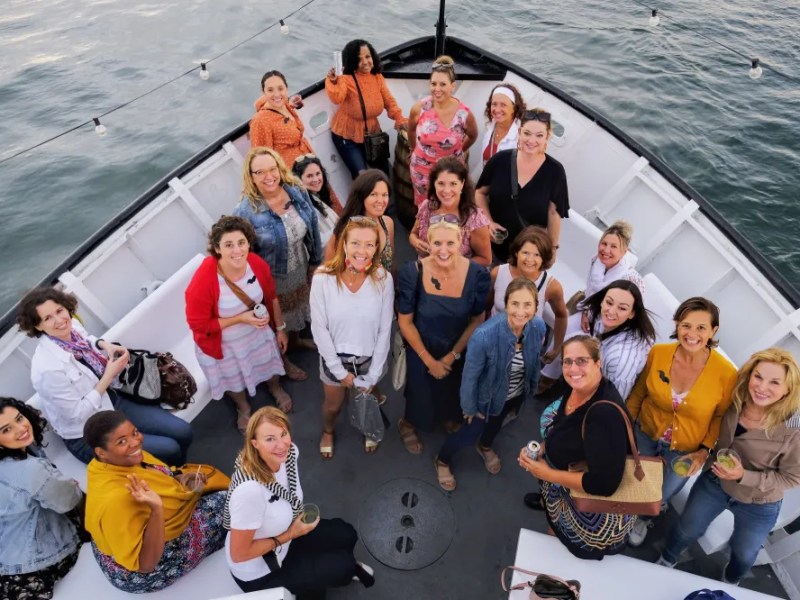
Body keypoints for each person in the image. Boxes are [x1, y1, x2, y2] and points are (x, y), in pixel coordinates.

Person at [657, 348, 800, 584]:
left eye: (775, 382)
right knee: (685, 529)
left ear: (788, 389)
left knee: (744, 554)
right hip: (715, 482)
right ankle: (666, 559)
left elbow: (792, 477)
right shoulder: (733, 398)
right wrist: (702, 451)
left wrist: (744, 475)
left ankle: (731, 580)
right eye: (758, 377)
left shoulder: (793, 429)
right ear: (749, 375)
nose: (762, 387)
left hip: (759, 502)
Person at [18, 287, 193, 466]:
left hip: (111, 403)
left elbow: (87, 339)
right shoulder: (47, 370)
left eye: (59, 310)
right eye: (47, 318)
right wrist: (109, 375)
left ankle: (175, 472)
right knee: (169, 448)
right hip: (88, 433)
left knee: (183, 431)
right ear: (37, 326)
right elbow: (76, 414)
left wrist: (105, 345)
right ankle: (174, 478)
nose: (59, 320)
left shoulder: (72, 329)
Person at [225, 407, 375, 596]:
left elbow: (288, 495)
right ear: (255, 443)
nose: (281, 445)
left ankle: (328, 571)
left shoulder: (288, 455)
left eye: (283, 434)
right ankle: (341, 571)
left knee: (345, 533)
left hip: (288, 531)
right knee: (340, 567)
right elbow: (239, 554)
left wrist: (292, 530)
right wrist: (290, 535)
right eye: (270, 439)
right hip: (263, 568)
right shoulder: (249, 492)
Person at [626, 296, 738, 547]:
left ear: (713, 331)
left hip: (686, 448)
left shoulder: (727, 374)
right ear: (677, 325)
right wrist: (625, 425)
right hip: (645, 431)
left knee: (663, 492)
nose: (692, 334)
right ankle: (630, 509)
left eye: (701, 327)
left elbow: (720, 416)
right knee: (639, 477)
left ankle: (644, 518)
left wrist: (704, 450)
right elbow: (639, 393)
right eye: (686, 325)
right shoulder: (659, 353)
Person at [518, 335, 635, 560]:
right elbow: (565, 425)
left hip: (585, 508)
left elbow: (605, 484)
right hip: (562, 483)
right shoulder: (581, 388)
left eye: (581, 361)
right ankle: (548, 506)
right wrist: (543, 448)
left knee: (559, 546)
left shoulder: (604, 415)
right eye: (567, 362)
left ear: (598, 362)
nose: (573, 369)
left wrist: (547, 473)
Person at [83, 410, 228, 593]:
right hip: (142, 570)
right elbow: (145, 564)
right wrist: (157, 509)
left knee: (208, 491)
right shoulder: (116, 499)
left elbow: (160, 474)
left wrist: (178, 478)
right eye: (122, 441)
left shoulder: (102, 465)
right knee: (228, 503)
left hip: (116, 544)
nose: (135, 442)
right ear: (101, 452)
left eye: (134, 433)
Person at [433, 278, 546, 491]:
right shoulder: (484, 336)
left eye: (527, 305)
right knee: (468, 434)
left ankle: (484, 446)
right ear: (505, 304)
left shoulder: (538, 327)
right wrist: (469, 407)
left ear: (536, 307)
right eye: (515, 304)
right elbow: (470, 376)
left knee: (496, 424)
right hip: (487, 398)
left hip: (515, 394)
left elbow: (534, 359)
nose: (521, 311)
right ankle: (443, 460)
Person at [185, 215, 290, 433]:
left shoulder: (256, 263)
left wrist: (280, 329)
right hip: (224, 345)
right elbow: (199, 326)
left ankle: (276, 388)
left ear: (249, 243)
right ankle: (243, 407)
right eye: (229, 245)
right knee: (233, 379)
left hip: (257, 334)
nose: (237, 251)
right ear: (217, 248)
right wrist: (241, 319)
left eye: (241, 243)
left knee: (269, 362)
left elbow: (271, 297)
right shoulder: (204, 279)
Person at [397, 219, 491, 454]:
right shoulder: (412, 272)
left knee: (453, 391)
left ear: (461, 241)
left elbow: (477, 319)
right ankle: (407, 424)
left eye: (450, 242)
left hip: (459, 348)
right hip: (421, 347)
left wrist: (450, 357)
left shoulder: (478, 275)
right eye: (437, 242)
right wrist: (429, 361)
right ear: (428, 242)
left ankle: (447, 417)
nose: (443, 249)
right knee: (420, 393)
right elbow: (405, 322)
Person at [233, 147, 323, 380]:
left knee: (297, 308)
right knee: (277, 322)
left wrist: (314, 262)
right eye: (260, 172)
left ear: (280, 168)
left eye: (272, 169)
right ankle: (283, 361)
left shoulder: (296, 191)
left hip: (300, 265)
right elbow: (245, 256)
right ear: (251, 176)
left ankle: (297, 340)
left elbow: (312, 224)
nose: (268, 176)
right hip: (272, 279)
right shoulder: (246, 211)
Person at [311, 218, 394, 457]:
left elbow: (384, 329)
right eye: (356, 243)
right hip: (333, 359)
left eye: (370, 244)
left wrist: (374, 374)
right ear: (344, 245)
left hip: (369, 360)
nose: (362, 251)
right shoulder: (322, 278)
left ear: (377, 247)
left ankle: (368, 426)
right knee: (333, 406)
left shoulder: (383, 279)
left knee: (367, 400)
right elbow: (319, 329)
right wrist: (339, 372)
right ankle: (328, 431)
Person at [539, 220, 645, 385]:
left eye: (614, 247)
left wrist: (598, 320)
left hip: (613, 325)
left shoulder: (631, 279)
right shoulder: (596, 260)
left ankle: (571, 381)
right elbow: (590, 291)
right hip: (590, 312)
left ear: (625, 251)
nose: (606, 250)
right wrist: (587, 312)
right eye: (604, 243)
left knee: (578, 345)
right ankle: (547, 377)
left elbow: (631, 313)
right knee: (565, 330)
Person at [0, 397, 83, 599]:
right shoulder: (30, 468)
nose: (20, 429)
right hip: (39, 560)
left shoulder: (18, 456)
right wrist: (69, 485)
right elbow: (70, 500)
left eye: (19, 419)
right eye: (6, 430)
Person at [476, 108, 569, 262]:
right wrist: (488, 222)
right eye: (527, 133)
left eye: (539, 135)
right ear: (519, 132)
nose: (532, 141)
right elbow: (480, 193)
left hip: (527, 257)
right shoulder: (499, 160)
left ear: (548, 137)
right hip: (489, 248)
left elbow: (554, 213)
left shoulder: (555, 172)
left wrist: (552, 249)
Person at [326, 39, 406, 178]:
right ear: (351, 61)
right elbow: (337, 97)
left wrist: (399, 118)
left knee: (383, 174)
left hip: (373, 133)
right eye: (359, 59)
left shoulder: (377, 77)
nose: (365, 62)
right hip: (347, 136)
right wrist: (333, 81)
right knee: (361, 176)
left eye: (368, 57)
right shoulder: (346, 78)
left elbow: (389, 101)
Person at [489, 226, 568, 365]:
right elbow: (486, 306)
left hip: (526, 350)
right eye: (525, 252)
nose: (530, 259)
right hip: (493, 342)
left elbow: (561, 315)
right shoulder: (497, 273)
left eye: (537, 255)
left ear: (544, 258)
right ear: (516, 252)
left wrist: (556, 348)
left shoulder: (552, 287)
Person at [408, 56, 478, 207]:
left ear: (453, 86)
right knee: (424, 208)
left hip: (451, 171)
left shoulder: (464, 113)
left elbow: (473, 136)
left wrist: (459, 151)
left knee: (449, 206)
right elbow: (411, 130)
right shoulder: (419, 108)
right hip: (422, 170)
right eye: (433, 84)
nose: (437, 89)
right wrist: (413, 149)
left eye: (442, 84)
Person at [580, 280, 656, 399]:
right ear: (602, 301)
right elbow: (588, 307)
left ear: (632, 314)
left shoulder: (620, 357)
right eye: (609, 302)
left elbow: (615, 401)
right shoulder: (601, 318)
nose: (611, 311)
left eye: (622, 308)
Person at [409, 157, 491, 266]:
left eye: (453, 184)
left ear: (462, 184)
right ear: (434, 184)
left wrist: (453, 264)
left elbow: (485, 259)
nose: (447, 190)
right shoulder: (427, 207)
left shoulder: (475, 220)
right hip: (426, 269)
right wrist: (415, 242)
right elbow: (413, 234)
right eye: (441, 183)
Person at [324, 169, 395, 271]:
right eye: (373, 194)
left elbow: (391, 264)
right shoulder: (344, 232)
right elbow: (329, 271)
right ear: (362, 196)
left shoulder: (388, 223)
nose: (380, 201)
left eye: (385, 195)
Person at [249, 70, 314, 167]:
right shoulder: (260, 121)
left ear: (286, 89)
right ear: (264, 92)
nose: (276, 94)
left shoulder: (285, 104)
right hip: (292, 175)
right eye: (270, 90)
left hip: (309, 161)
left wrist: (291, 104)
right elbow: (262, 159)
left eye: (280, 88)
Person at [480, 83, 525, 166]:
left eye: (503, 105)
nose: (497, 110)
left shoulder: (521, 137)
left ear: (514, 108)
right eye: (494, 104)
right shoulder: (490, 126)